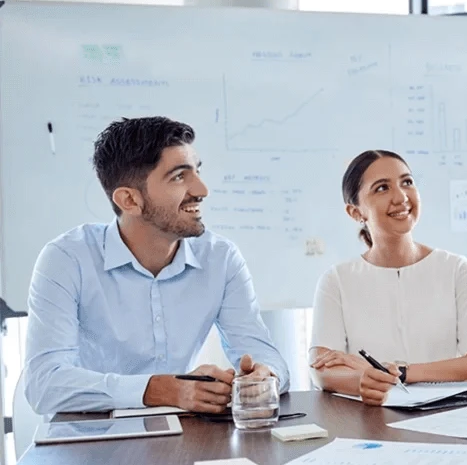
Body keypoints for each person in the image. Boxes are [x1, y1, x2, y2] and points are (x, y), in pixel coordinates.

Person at [24, 116, 290, 415]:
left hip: (180, 434)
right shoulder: (67, 259)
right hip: (88, 437)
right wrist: (161, 389)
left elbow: (264, 353)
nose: (202, 189)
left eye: (197, 171)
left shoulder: (221, 258)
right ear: (129, 200)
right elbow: (44, 384)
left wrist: (264, 377)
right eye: (179, 176)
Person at [309, 150, 467, 406]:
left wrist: (399, 372)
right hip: (370, 419)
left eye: (407, 182)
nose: (400, 197)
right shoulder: (336, 280)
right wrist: (363, 382)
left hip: (444, 415)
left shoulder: (455, 269)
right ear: (355, 212)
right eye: (382, 188)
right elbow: (322, 369)